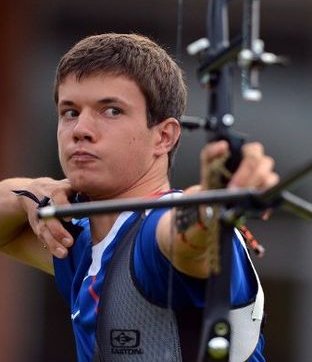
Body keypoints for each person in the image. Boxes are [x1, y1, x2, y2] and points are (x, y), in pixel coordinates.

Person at [0, 33, 278, 361]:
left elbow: (184, 232)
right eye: (70, 112)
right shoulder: (81, 246)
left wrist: (213, 204)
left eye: (112, 111)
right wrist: (32, 194)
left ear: (164, 136)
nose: (80, 129)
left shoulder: (154, 234)